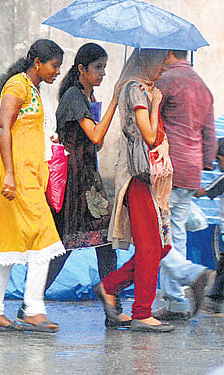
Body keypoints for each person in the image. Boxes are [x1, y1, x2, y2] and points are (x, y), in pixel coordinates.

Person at [27, 43, 130, 328]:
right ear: (82, 69)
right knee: (65, 245)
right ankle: (31, 302)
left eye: (105, 68)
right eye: (97, 68)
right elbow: (96, 137)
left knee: (101, 242)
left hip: (87, 179)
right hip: (76, 182)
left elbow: (89, 144)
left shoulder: (85, 96)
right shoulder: (74, 97)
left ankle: (112, 306)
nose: (102, 74)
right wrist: (114, 102)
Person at [0, 39, 66, 333]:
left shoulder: (34, 90)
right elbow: (4, 127)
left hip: (29, 176)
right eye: (55, 66)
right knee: (43, 236)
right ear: (38, 63)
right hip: (14, 178)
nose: (57, 72)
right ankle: (33, 308)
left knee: (10, 241)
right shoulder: (17, 86)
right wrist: (10, 175)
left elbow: (28, 131)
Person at [93, 48, 176, 332]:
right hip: (139, 177)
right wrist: (156, 104)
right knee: (152, 246)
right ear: (146, 60)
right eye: (161, 60)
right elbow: (149, 135)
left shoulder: (146, 88)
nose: (165, 65)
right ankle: (142, 312)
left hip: (151, 181)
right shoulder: (136, 90)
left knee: (162, 245)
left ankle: (110, 285)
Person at [152, 50, 216, 321]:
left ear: (167, 54)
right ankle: (176, 303)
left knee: (155, 233)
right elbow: (209, 132)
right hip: (192, 171)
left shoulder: (166, 80)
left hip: (168, 169)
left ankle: (191, 276)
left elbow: (151, 122)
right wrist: (209, 160)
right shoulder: (202, 85)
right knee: (176, 234)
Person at [195, 137, 224, 316]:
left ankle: (214, 299)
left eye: (219, 160)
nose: (218, 164)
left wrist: (185, 185)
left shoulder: (222, 179)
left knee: (222, 265)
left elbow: (202, 192)